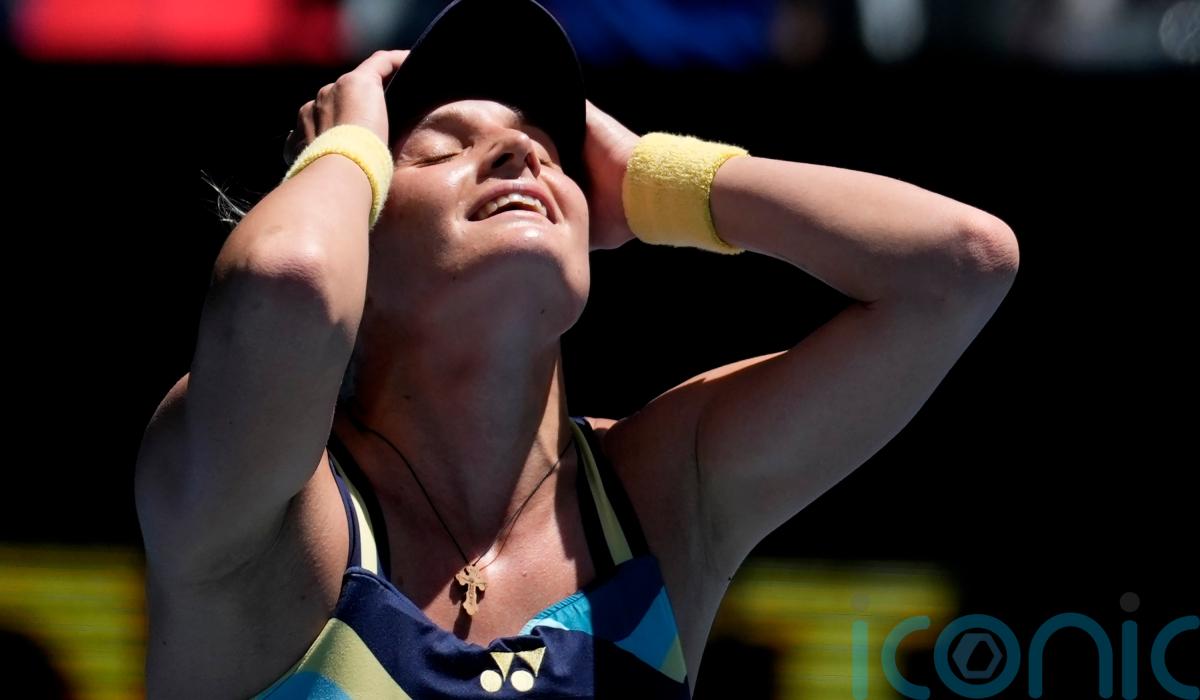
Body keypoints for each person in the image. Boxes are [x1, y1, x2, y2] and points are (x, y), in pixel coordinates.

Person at [134, 0, 1019, 697]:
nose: (518, 151)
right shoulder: (273, 505)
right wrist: (346, 143)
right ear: (355, 224)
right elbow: (287, 278)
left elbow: (961, 266)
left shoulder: (664, 492)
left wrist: (655, 179)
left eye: (551, 151)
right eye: (441, 149)